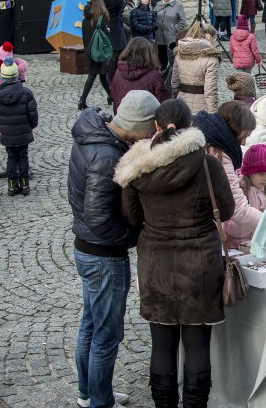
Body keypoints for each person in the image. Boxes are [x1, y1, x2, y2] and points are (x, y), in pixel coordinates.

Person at [114, 98, 233, 408]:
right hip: (200, 266)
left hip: (156, 265)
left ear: (155, 127)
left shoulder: (137, 168)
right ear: (190, 126)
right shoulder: (208, 164)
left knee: (162, 346)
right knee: (197, 347)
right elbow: (228, 209)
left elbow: (130, 215)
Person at [69, 90, 160, 408]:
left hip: (86, 247)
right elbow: (98, 217)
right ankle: (100, 402)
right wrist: (129, 238)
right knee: (106, 335)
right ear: (140, 125)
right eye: (151, 128)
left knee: (91, 324)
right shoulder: (106, 155)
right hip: (103, 255)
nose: (152, 135)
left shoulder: (93, 136)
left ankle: (90, 393)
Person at [0, 57, 38, 196]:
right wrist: (30, 127)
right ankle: (24, 185)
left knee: (11, 158)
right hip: (23, 132)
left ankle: (12, 186)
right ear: (17, 75)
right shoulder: (26, 93)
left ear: (2, 77)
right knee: (23, 156)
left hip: (7, 134)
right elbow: (33, 116)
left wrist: (2, 129)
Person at [224, 143, 266, 246]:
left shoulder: (264, 191)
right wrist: (254, 219)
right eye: (261, 173)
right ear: (250, 172)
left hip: (257, 247)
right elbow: (228, 226)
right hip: (237, 248)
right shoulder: (239, 191)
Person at [172, 22, 221, 114]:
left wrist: (175, 101)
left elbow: (174, 83)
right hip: (201, 107)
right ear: (209, 37)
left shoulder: (179, 54)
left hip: (181, 103)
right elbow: (210, 91)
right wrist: (213, 114)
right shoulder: (212, 58)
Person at [110, 37, 169, 113]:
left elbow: (113, 95)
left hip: (121, 118)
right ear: (148, 54)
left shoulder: (118, 71)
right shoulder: (154, 75)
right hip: (144, 121)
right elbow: (163, 102)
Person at [79, 0, 113, 110]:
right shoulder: (101, 18)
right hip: (100, 51)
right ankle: (82, 100)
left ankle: (110, 96)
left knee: (100, 75)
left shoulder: (85, 20)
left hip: (89, 51)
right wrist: (108, 31)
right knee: (97, 75)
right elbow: (104, 36)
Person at [154, 0, 187, 69]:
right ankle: (163, 71)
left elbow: (182, 21)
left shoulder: (178, 5)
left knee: (172, 54)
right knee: (162, 54)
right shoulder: (159, 4)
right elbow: (153, 15)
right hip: (159, 34)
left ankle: (173, 71)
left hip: (171, 35)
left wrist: (175, 29)